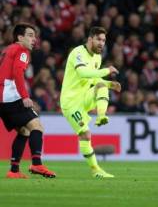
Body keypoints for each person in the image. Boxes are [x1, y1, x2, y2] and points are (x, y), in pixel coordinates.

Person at [60, 26, 121, 178]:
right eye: (99, 39)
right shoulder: (77, 52)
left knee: (101, 86)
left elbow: (93, 78)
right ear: (90, 39)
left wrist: (108, 84)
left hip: (84, 98)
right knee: (86, 135)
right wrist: (107, 71)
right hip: (70, 103)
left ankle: (101, 116)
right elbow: (82, 73)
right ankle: (95, 170)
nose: (102, 43)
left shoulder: (97, 58)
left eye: (104, 40)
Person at [0, 23, 56, 179]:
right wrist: (25, 96)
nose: (34, 39)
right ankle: (37, 163)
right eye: (30, 35)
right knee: (36, 126)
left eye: (35, 36)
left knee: (24, 131)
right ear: (20, 37)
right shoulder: (21, 50)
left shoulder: (7, 50)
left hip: (2, 99)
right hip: (10, 96)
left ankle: (14, 170)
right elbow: (17, 72)